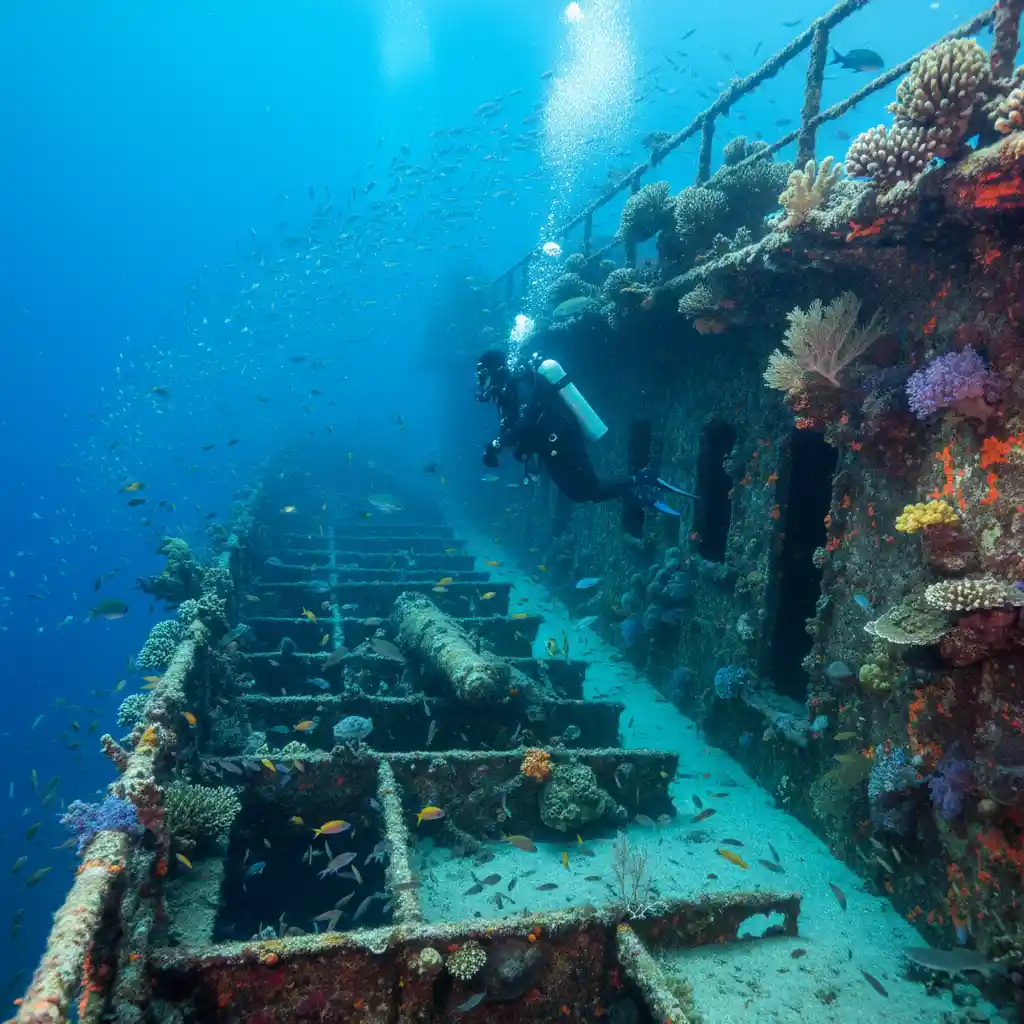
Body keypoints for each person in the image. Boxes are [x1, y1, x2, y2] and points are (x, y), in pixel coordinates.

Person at [476, 346, 694, 536]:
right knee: (579, 493)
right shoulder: (506, 397)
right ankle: (634, 491)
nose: (481, 381)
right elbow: (518, 432)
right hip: (550, 448)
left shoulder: (520, 385)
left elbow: (527, 422)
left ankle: (641, 480)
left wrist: (496, 445)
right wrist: (506, 448)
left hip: (561, 440)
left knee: (589, 488)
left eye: (483, 374)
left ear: (495, 370)